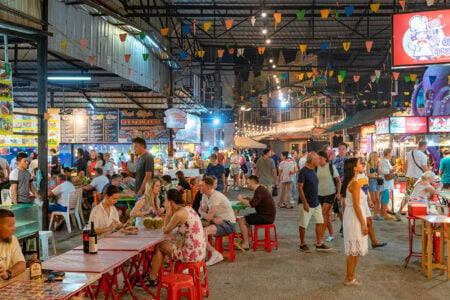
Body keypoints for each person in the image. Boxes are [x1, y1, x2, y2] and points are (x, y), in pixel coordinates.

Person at [147, 189, 206, 287]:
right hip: (199, 250)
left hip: (190, 254)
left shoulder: (179, 214)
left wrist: (169, 212)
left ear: (171, 202)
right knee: (164, 245)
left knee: (159, 246)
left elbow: (166, 230)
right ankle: (152, 277)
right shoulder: (188, 209)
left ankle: (152, 278)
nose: (164, 203)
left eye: (165, 200)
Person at [341, 158, 368, 286]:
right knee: (354, 250)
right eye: (359, 164)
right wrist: (363, 223)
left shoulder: (351, 182)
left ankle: (350, 273)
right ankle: (349, 278)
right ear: (354, 168)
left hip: (350, 216)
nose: (362, 165)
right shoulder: (355, 184)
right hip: (354, 218)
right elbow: (356, 206)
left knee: (354, 248)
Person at [298, 152, 332, 253]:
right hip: (306, 202)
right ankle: (302, 243)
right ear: (311, 160)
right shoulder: (303, 171)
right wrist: (304, 203)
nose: (319, 161)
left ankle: (319, 243)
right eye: (317, 159)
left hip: (315, 202)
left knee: (320, 222)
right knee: (303, 224)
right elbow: (300, 188)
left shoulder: (314, 170)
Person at [199, 177, 236, 266]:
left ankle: (214, 254)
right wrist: (204, 213)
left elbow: (208, 216)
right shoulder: (204, 195)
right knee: (195, 229)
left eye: (201, 185)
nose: (199, 187)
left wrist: (203, 213)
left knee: (204, 231)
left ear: (208, 187)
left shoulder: (215, 196)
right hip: (217, 221)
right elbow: (203, 212)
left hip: (228, 223)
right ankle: (200, 256)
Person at [237, 175, 276, 250]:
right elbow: (256, 200)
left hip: (265, 217)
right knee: (246, 218)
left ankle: (246, 244)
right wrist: (247, 198)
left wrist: (241, 199)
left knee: (242, 220)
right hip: (267, 216)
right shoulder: (261, 189)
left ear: (252, 183)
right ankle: (246, 241)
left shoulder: (259, 191)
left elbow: (251, 204)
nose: (247, 185)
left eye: (248, 183)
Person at [398, 141, 429, 220]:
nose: (426, 148)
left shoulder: (409, 153)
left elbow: (405, 165)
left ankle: (399, 212)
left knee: (408, 194)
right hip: (419, 178)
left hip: (409, 177)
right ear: (424, 146)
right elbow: (425, 168)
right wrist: (431, 175)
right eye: (426, 147)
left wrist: (406, 175)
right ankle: (419, 212)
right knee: (421, 195)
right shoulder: (423, 156)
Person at [316, 150, 340, 242]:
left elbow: (338, 181)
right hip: (319, 194)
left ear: (325, 158)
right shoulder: (316, 167)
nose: (319, 160)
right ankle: (331, 234)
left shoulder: (331, 167)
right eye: (318, 159)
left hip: (330, 193)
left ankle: (320, 237)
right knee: (325, 215)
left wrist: (338, 193)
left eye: (320, 159)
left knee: (323, 214)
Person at [0, 209, 26, 281]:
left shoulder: (12, 239)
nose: (14, 228)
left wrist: (8, 273)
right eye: (10, 225)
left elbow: (22, 264)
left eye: (14, 225)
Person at [333, 142, 349, 233]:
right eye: (340, 149)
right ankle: (343, 223)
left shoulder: (349, 160)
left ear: (346, 150)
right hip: (336, 185)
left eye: (343, 149)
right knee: (338, 207)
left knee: (345, 206)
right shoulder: (335, 160)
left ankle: (346, 225)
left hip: (346, 185)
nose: (341, 151)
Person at [379, 149, 396, 220]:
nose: (392, 154)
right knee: (386, 197)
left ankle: (382, 212)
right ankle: (384, 213)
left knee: (384, 197)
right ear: (388, 153)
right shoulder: (384, 161)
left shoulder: (384, 161)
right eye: (391, 153)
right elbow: (383, 171)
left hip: (385, 182)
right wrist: (390, 170)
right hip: (385, 182)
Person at [367, 152, 382, 220]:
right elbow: (369, 175)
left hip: (377, 182)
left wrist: (378, 165)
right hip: (372, 182)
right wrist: (375, 175)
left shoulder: (377, 163)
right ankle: (371, 214)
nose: (377, 157)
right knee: (374, 200)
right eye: (376, 156)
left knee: (378, 199)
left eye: (377, 156)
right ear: (372, 156)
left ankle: (376, 214)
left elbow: (379, 173)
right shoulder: (368, 164)